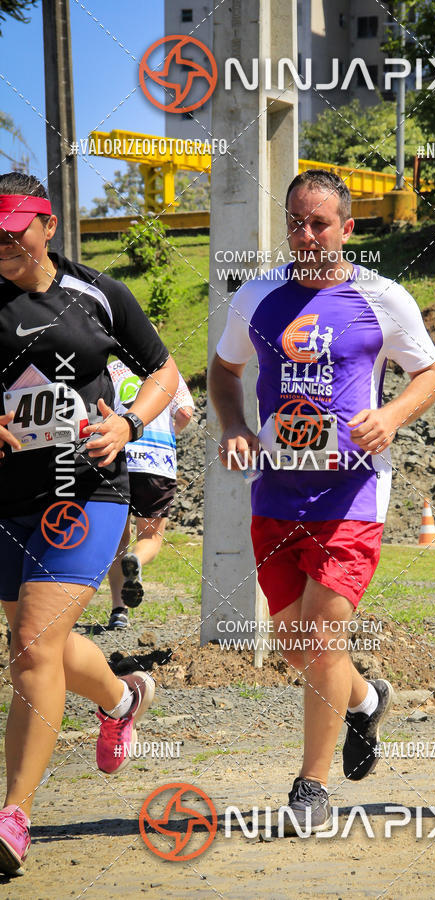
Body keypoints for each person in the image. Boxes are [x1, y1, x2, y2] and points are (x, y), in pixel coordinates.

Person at [209, 169, 435, 833]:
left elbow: (430, 373)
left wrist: (393, 416)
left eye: (320, 223)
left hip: (352, 495)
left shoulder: (382, 298)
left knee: (319, 636)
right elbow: (224, 373)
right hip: (277, 493)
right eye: (296, 222)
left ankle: (310, 787)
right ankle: (367, 701)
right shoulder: (257, 296)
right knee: (294, 644)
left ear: (347, 228)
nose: (306, 235)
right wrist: (233, 427)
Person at [0, 173, 179, 875]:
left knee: (31, 643)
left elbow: (161, 369)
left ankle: (14, 817)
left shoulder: (97, 293)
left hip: (88, 490)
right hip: (8, 497)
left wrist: (130, 422)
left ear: (47, 225)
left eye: (17, 228)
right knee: (40, 644)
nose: (5, 242)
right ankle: (123, 696)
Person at [106, 360, 194, 628]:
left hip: (118, 458)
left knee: (118, 539)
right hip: (157, 462)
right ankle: (138, 559)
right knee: (151, 537)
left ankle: (118, 611)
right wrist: (169, 434)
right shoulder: (167, 370)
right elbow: (185, 414)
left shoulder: (111, 370)